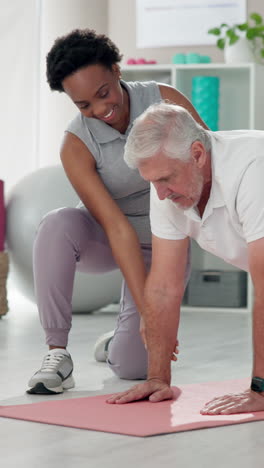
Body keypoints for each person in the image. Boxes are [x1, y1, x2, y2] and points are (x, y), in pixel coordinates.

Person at [27, 30, 207, 394]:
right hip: (108, 238)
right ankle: (57, 354)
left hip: (164, 243)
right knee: (56, 224)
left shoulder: (165, 101)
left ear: (116, 69)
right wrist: (153, 318)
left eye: (103, 93)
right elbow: (116, 227)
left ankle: (118, 342)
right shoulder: (76, 143)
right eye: (84, 105)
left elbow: (208, 164)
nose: (99, 111)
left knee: (132, 367)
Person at [107, 101, 264, 415]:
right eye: (153, 182)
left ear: (197, 154)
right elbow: (164, 286)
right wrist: (157, 377)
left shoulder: (254, 169)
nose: (161, 193)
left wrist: (260, 388)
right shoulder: (167, 181)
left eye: (165, 179)